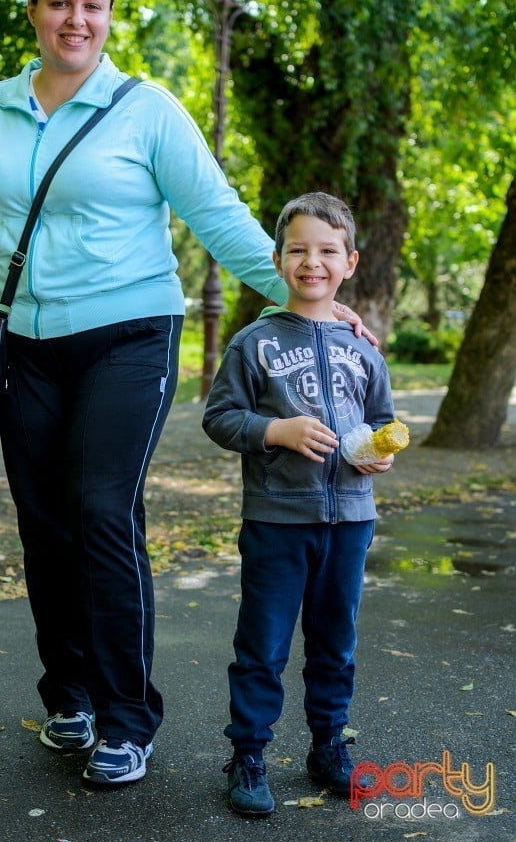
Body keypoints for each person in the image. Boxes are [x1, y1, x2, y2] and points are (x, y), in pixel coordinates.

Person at [0, 0, 371, 789]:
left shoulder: (147, 110)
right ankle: (68, 695)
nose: (76, 20)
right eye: (60, 3)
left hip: (130, 336)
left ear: (109, 17)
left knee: (101, 510)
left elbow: (217, 213)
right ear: (33, 11)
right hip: (21, 344)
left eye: (92, 6)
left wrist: (305, 296)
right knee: (44, 521)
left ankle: (127, 716)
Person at [202, 191, 396, 816]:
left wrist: (381, 453)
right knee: (263, 644)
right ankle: (249, 752)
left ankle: (328, 745)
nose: (312, 262)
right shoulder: (252, 344)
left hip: (351, 518)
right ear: (279, 260)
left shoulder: (363, 346)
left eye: (327, 251)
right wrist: (274, 431)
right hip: (277, 519)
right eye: (299, 250)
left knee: (336, 640)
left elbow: (380, 419)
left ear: (350, 262)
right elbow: (220, 417)